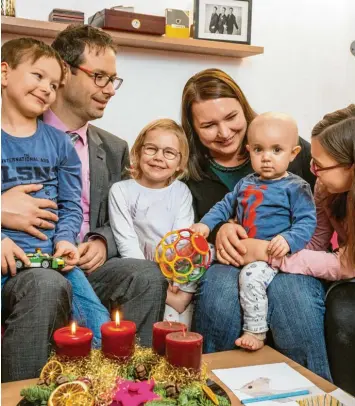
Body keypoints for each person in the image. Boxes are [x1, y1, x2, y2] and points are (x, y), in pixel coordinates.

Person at [1, 25, 167, 382]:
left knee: (145, 275)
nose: (109, 89)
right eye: (100, 77)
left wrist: (102, 241)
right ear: (65, 71)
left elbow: (120, 215)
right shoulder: (15, 127)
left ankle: (125, 387)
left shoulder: (114, 147)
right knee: (47, 283)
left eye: (114, 80)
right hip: (21, 266)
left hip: (78, 262)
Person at [181, 68, 332, 381]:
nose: (224, 132)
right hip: (231, 261)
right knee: (221, 293)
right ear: (194, 130)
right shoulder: (191, 174)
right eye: (208, 125)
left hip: (289, 257)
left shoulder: (291, 147)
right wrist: (218, 230)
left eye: (231, 117)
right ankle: (206, 389)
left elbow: (319, 209)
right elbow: (205, 223)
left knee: (295, 298)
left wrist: (285, 245)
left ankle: (315, 392)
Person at [1, 37, 110, 349]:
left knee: (100, 329)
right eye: (38, 76)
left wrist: (64, 240)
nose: (47, 89)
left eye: (54, 84)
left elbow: (71, 205)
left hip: (51, 261)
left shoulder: (61, 144)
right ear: (4, 73)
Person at [243, 105, 355, 394]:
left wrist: (270, 255)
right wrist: (284, 248)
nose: (313, 172)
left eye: (320, 165)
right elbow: (317, 241)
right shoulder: (324, 187)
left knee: (344, 312)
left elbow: (347, 264)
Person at [192, 112, 316, 350]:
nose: (266, 158)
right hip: (239, 250)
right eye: (259, 150)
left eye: (276, 150)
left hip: (269, 254)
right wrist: (205, 225)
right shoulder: (246, 183)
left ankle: (256, 331)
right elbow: (224, 206)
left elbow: (307, 221)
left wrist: (288, 240)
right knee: (198, 253)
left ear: (294, 153)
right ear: (249, 150)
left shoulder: (296, 187)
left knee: (250, 279)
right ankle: (180, 289)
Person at [108, 119, 195, 322]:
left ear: (179, 163)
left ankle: (181, 298)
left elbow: (181, 239)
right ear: (138, 152)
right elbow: (126, 241)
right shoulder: (121, 191)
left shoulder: (181, 192)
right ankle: (171, 299)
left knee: (202, 248)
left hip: (175, 274)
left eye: (169, 153)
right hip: (141, 272)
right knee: (153, 323)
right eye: (151, 149)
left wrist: (174, 277)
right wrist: (154, 279)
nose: (158, 158)